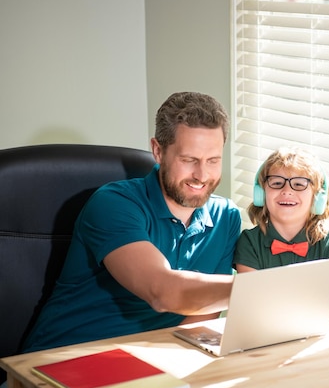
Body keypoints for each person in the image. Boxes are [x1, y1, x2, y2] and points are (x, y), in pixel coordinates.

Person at [21, 92, 242, 353]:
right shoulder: (113, 204)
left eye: (213, 160)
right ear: (158, 151)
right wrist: (259, 291)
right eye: (188, 160)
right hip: (59, 361)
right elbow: (162, 291)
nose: (202, 175)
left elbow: (196, 324)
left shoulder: (226, 217)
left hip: (148, 362)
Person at [234, 147, 329, 299]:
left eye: (299, 184)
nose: (287, 190)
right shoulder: (249, 242)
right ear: (261, 193)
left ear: (317, 198)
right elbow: (254, 298)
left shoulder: (327, 241)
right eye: (277, 183)